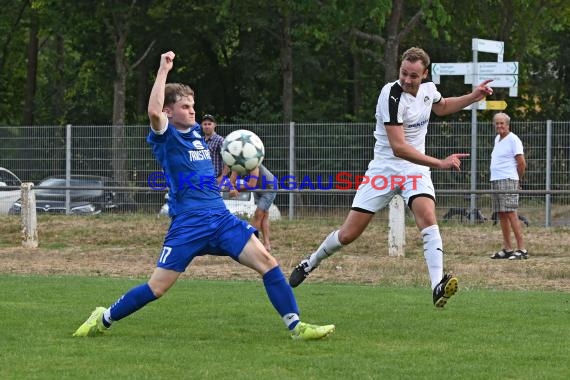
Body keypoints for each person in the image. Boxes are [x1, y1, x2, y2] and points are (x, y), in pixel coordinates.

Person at [73, 51, 335, 340]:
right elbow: (153, 112)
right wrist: (163, 70)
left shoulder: (199, 133)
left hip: (221, 218)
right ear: (170, 112)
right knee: (157, 288)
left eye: (192, 105)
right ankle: (105, 317)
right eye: (185, 106)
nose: (192, 110)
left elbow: (229, 154)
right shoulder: (166, 137)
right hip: (188, 223)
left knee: (268, 264)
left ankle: (296, 327)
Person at [289, 47, 494, 308]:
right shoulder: (390, 94)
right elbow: (399, 147)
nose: (407, 80)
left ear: (425, 75)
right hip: (384, 170)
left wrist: (474, 96)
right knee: (348, 235)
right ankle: (311, 262)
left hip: (414, 171)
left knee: (428, 218)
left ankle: (437, 286)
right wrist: (439, 163)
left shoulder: (429, 91)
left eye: (414, 76)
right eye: (404, 73)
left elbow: (442, 107)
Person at [489, 112, 528, 260]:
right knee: (501, 213)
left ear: (507, 125)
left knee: (511, 212)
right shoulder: (497, 139)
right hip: (496, 180)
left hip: (508, 179)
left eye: (502, 123)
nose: (499, 126)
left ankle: (522, 249)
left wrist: (518, 180)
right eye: (497, 123)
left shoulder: (513, 139)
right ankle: (507, 248)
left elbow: (521, 162)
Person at [229, 164, 278, 252]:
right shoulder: (235, 164)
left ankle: (250, 242)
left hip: (269, 188)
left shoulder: (253, 163)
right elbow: (231, 183)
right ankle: (266, 244)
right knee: (264, 214)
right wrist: (232, 188)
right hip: (258, 189)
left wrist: (237, 189)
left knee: (258, 214)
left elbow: (251, 184)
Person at [201, 114, 227, 183]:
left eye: (209, 124)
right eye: (205, 124)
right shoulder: (199, 141)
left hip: (215, 181)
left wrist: (221, 178)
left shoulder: (220, 140)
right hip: (201, 180)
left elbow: (228, 162)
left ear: (215, 125)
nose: (207, 126)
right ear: (201, 125)